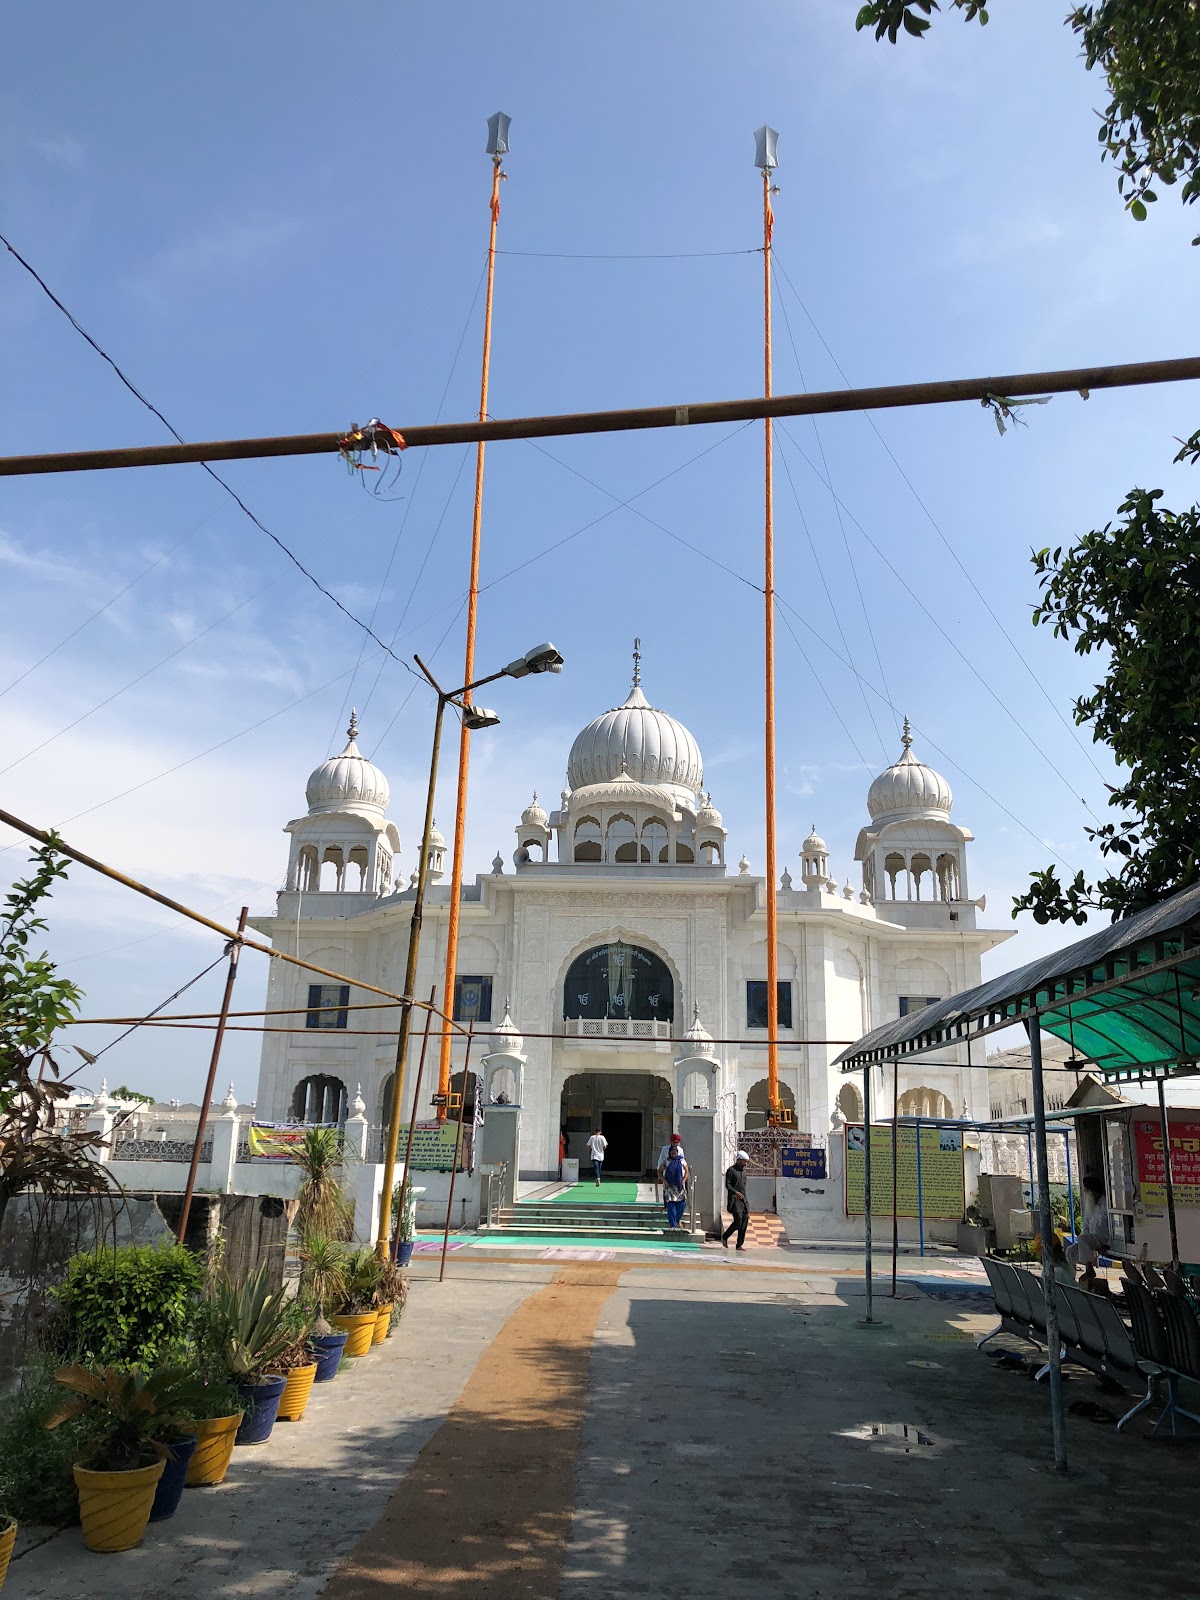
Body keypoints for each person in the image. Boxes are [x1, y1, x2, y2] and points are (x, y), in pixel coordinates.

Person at [1065, 1173, 1111, 1271]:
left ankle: (1089, 1268)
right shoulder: (1090, 1206)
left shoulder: (1106, 1205)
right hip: (1091, 1240)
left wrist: (1108, 1245)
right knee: (1070, 1251)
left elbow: (1114, 1228)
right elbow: (1086, 1227)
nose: (1085, 1194)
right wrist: (1083, 1244)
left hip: (1104, 1240)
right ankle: (1071, 1276)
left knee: (1082, 1239)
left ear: (1093, 1192)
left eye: (1087, 1191)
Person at [721, 1149, 751, 1250]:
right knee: (738, 1220)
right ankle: (725, 1236)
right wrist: (735, 1192)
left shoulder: (744, 1172)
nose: (745, 1164)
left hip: (743, 1200)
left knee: (744, 1221)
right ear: (738, 1160)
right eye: (744, 1161)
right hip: (734, 1200)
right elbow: (728, 1185)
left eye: (746, 1162)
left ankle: (739, 1244)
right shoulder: (731, 1170)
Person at [661, 1141, 689, 1231]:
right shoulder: (666, 1161)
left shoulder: (681, 1160)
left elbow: (687, 1172)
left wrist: (683, 1181)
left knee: (681, 1205)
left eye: (675, 1153)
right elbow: (659, 1172)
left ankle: (677, 1219)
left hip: (679, 1186)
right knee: (671, 1206)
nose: (673, 1155)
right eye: (672, 1153)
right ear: (669, 1153)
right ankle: (672, 1224)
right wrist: (664, 1181)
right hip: (670, 1186)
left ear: (677, 1153)